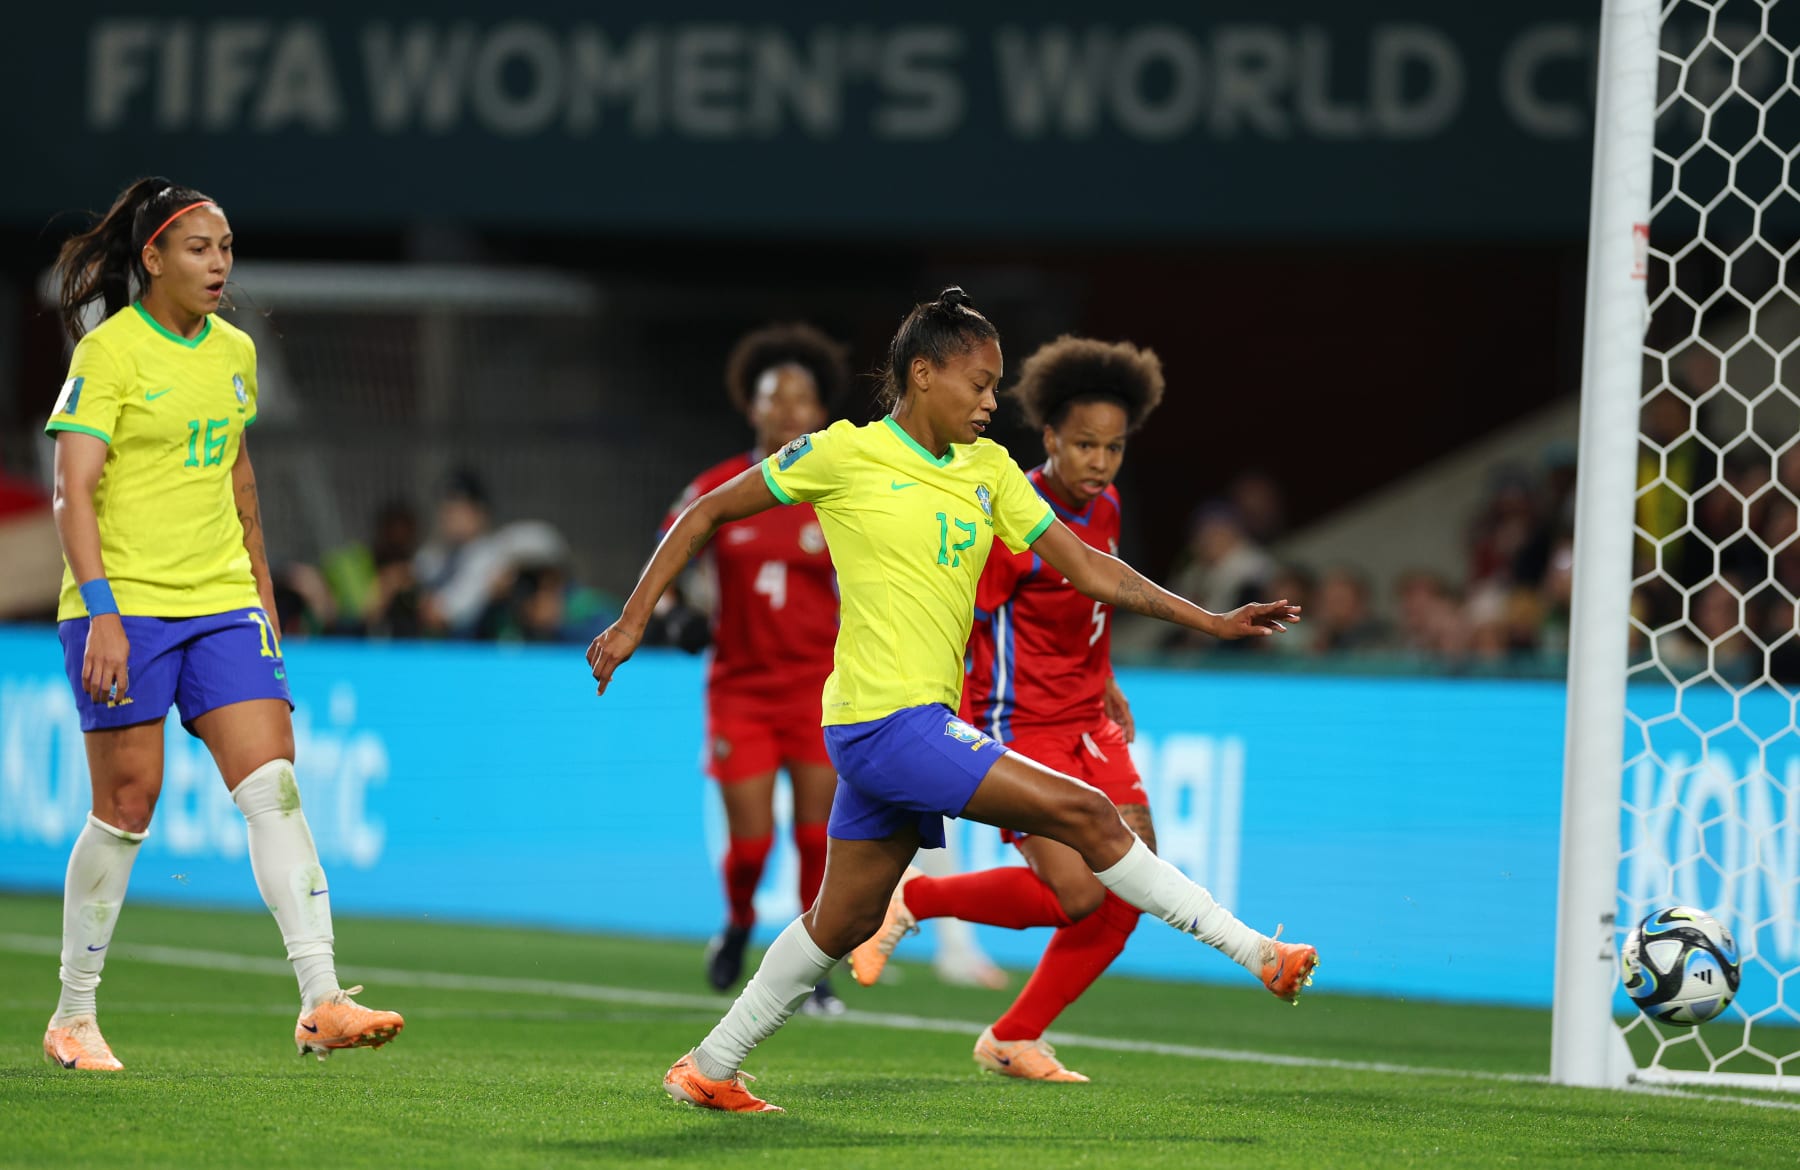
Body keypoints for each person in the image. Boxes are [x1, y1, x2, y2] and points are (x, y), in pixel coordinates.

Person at [587, 288, 1317, 1113]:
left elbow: (1090, 569)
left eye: (997, 386)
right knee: (1088, 814)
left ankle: (708, 1067)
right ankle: (1257, 952)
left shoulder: (990, 471)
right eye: (977, 384)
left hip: (907, 728)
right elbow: (709, 511)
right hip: (882, 721)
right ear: (921, 374)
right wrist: (632, 619)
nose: (989, 402)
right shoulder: (844, 453)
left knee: (844, 920)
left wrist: (1211, 619)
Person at [39, 177, 403, 1070]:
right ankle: (73, 1017)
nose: (218, 264)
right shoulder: (109, 354)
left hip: (223, 604)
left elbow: (241, 485)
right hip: (125, 605)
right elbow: (70, 491)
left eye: (227, 248)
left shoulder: (234, 351)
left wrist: (265, 604)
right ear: (152, 258)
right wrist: (104, 612)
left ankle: (322, 997)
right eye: (199, 248)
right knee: (128, 807)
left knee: (273, 782)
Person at [842, 334, 1172, 1082]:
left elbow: (1095, 596)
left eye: (1114, 448)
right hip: (1016, 723)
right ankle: (916, 900)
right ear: (1049, 436)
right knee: (1079, 892)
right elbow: (955, 616)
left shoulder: (1107, 506)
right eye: (1084, 444)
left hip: (1088, 719)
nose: (1099, 461)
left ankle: (1014, 1037)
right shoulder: (1008, 514)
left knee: (1130, 889)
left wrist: (1107, 674)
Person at [660, 323, 849, 1014]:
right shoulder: (716, 487)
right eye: (776, 398)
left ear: (819, 413)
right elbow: (671, 552)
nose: (788, 411)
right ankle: (738, 923)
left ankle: (810, 971)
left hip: (816, 688)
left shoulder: (835, 495)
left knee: (812, 836)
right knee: (752, 846)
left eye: (802, 399)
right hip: (738, 687)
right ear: (753, 407)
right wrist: (674, 609)